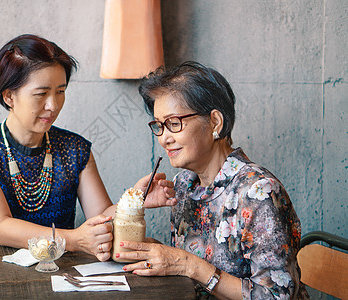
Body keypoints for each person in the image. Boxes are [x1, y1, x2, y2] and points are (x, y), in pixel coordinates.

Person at [115, 62, 309, 299]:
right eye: (159, 126)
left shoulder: (259, 192)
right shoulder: (185, 184)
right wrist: (135, 203)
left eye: (174, 123)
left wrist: (188, 264)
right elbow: (185, 263)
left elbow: (277, 296)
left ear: (215, 122)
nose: (164, 138)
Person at [0, 34, 114, 261]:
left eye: (60, 91)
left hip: (62, 273)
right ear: (9, 96)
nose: (53, 105)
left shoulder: (75, 148)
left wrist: (136, 201)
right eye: (41, 94)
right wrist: (74, 240)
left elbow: (101, 219)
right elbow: (1, 228)